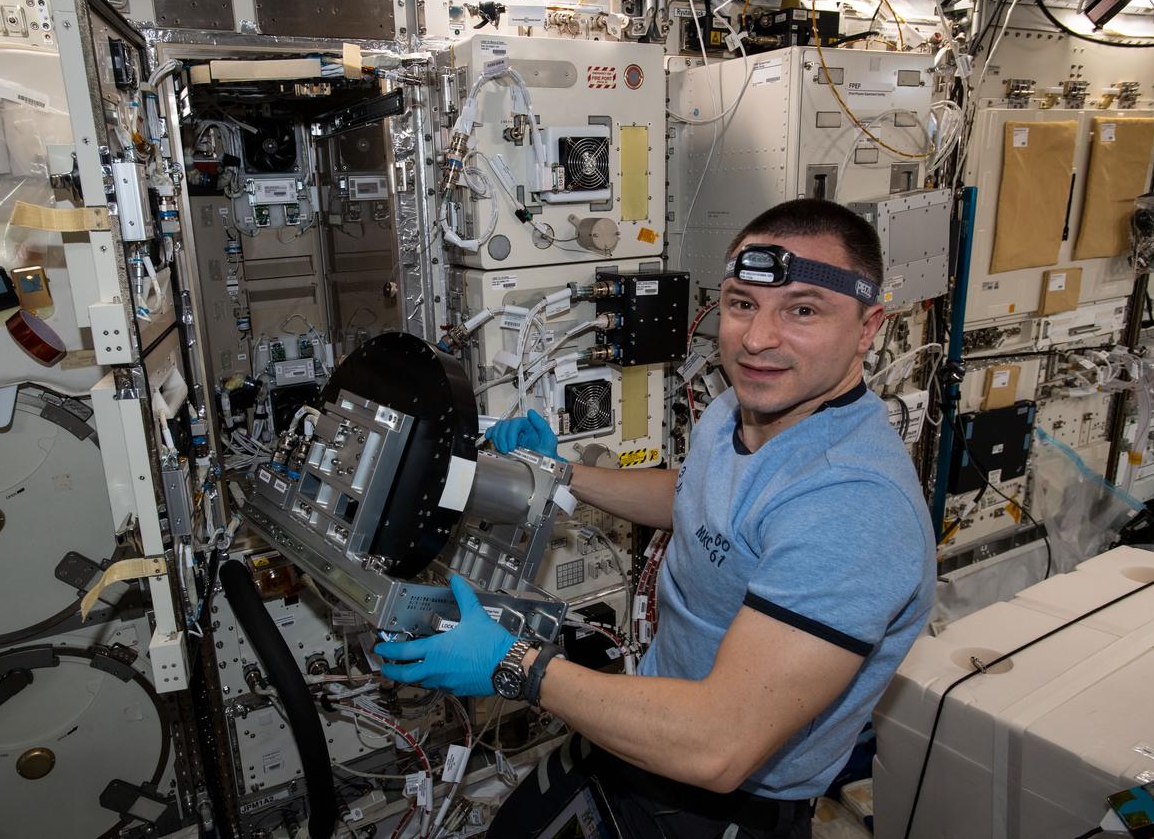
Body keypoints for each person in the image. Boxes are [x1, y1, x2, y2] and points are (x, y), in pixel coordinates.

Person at [374, 198, 936, 839]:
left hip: (716, 798)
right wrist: (558, 474)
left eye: (802, 310)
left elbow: (719, 745)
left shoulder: (852, 504)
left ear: (869, 327)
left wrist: (517, 665)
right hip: (637, 733)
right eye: (741, 304)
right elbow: (698, 497)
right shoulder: (744, 408)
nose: (756, 339)